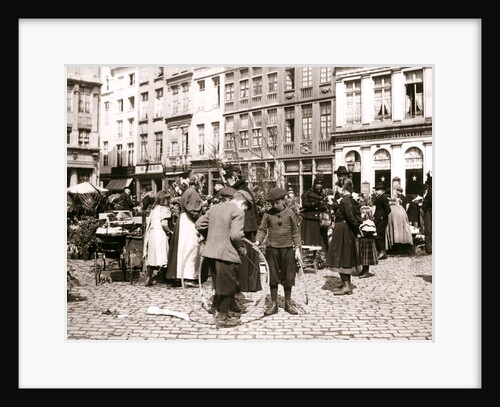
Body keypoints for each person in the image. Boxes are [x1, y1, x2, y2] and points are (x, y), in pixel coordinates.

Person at [195, 187, 253, 328]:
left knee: (219, 284)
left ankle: (217, 309)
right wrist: (241, 248)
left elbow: (199, 224)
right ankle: (222, 319)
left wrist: (211, 236)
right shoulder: (237, 211)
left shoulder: (215, 208)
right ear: (243, 203)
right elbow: (236, 235)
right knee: (228, 286)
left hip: (210, 253)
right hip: (226, 254)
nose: (245, 210)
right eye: (246, 208)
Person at [255, 187, 302, 316]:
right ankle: (274, 304)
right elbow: (262, 229)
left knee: (289, 275)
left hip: (288, 249)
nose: (274, 205)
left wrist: (297, 249)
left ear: (283, 200)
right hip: (272, 249)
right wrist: (258, 241)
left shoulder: (291, 214)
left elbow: (295, 232)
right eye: (272, 203)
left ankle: (287, 303)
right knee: (273, 276)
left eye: (277, 203)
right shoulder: (267, 214)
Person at [165, 173, 207, 287]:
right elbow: (193, 210)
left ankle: (181, 275)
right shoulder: (193, 192)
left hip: (183, 220)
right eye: (202, 183)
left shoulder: (187, 191)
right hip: (188, 222)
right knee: (190, 248)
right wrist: (202, 215)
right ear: (198, 182)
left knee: (183, 249)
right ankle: (188, 277)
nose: (203, 185)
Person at [226, 167, 262, 293]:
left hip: (243, 227)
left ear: (232, 178)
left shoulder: (238, 192)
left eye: (228, 180)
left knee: (243, 256)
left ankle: (243, 285)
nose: (227, 183)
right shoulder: (246, 189)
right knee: (250, 255)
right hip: (250, 226)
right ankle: (251, 285)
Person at [325, 179, 362, 295]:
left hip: (343, 229)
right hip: (346, 229)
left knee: (341, 256)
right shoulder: (349, 199)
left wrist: (357, 229)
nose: (337, 189)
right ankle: (346, 283)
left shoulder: (345, 200)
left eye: (338, 187)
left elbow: (350, 217)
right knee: (346, 255)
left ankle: (346, 285)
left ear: (342, 188)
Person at [142, 190, 173, 287]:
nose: (169, 200)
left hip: (152, 234)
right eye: (168, 198)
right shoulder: (164, 209)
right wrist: (171, 232)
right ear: (164, 199)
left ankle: (149, 278)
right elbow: (164, 224)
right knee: (164, 255)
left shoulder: (154, 208)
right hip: (160, 234)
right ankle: (164, 278)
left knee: (152, 256)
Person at [299, 178, 329, 251]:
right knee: (309, 241)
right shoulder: (307, 193)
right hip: (309, 219)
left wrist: (324, 205)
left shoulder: (323, 194)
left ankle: (321, 257)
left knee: (320, 242)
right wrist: (314, 204)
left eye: (320, 184)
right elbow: (305, 204)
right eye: (317, 184)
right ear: (314, 185)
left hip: (320, 220)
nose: (319, 186)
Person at [356, 205, 378, 279]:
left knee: (366, 257)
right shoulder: (363, 222)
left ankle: (366, 271)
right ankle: (364, 269)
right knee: (363, 256)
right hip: (363, 241)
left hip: (367, 241)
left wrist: (362, 234)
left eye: (361, 213)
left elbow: (369, 232)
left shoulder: (369, 222)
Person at [373, 181, 391, 260]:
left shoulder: (383, 197)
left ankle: (382, 252)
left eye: (378, 189)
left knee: (379, 235)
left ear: (382, 190)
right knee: (379, 235)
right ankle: (381, 251)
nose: (376, 191)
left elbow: (388, 210)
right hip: (378, 219)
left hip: (381, 220)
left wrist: (382, 216)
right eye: (376, 189)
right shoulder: (379, 197)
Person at [422, 171, 432, 254]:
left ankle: (429, 248)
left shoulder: (431, 190)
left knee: (428, 230)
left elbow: (428, 201)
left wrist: (422, 202)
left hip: (429, 211)